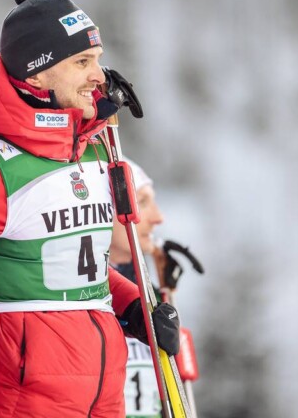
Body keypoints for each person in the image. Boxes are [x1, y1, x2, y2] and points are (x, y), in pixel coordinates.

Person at [0, 0, 180, 417]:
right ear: (37, 75)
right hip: (27, 397)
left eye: (97, 60)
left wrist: (135, 305)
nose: (99, 76)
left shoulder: (92, 150)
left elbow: (79, 265)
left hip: (103, 389)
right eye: (82, 62)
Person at [108, 159, 167, 417]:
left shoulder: (146, 286)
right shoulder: (80, 295)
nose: (157, 218)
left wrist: (165, 291)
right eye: (142, 203)